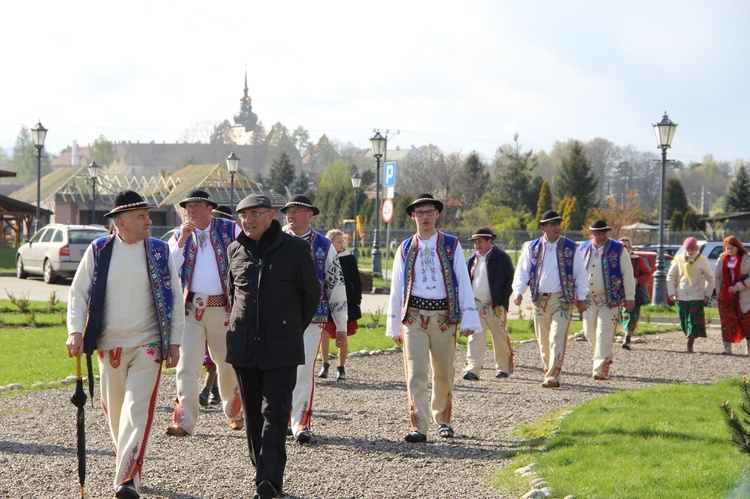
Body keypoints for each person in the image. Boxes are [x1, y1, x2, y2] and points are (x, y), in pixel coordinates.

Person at [66, 190, 184, 499]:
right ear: (121, 222)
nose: (149, 221)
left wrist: (175, 342)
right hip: (109, 347)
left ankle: (127, 480)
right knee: (115, 411)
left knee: (137, 409)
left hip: (148, 344)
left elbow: (175, 299)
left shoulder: (160, 251)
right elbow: (78, 293)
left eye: (148, 215)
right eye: (141, 216)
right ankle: (130, 465)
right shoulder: (99, 250)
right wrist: (74, 331)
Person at [226, 194, 320, 499]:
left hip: (281, 347)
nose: (248, 220)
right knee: (253, 415)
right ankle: (261, 469)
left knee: (276, 414)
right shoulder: (235, 250)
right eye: (243, 215)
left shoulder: (295, 249)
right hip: (243, 347)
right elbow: (233, 296)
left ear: (271, 216)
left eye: (255, 214)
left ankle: (269, 480)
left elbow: (311, 295)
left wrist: (290, 328)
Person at [386, 193, 481, 443]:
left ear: (437, 214)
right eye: (420, 212)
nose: (425, 217)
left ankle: (443, 419)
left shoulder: (451, 245)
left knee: (442, 371)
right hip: (413, 316)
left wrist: (469, 320)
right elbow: (397, 288)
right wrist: (394, 324)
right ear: (412, 216)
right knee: (415, 372)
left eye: (429, 212)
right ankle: (419, 425)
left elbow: (463, 281)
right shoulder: (405, 247)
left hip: (443, 316)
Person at [166, 190, 244, 436]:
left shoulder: (231, 229)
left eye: (198, 206)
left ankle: (234, 412)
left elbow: (247, 258)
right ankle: (184, 421)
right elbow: (169, 267)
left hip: (223, 308)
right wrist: (181, 242)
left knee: (227, 364)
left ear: (210, 208)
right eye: (189, 206)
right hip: (190, 311)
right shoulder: (179, 234)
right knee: (187, 365)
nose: (192, 210)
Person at [281, 194, 348, 443]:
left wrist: (340, 324)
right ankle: (281, 419)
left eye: (297, 210)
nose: (291, 215)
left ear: (310, 215)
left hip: (312, 318)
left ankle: (300, 422)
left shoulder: (323, 245)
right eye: (289, 210)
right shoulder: (274, 240)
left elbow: (336, 284)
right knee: (279, 371)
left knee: (303, 369)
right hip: (277, 319)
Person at [511, 210, 589, 388]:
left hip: (562, 299)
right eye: (552, 224)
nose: (557, 227)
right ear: (543, 227)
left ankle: (554, 374)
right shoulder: (532, 247)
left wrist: (582, 296)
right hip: (539, 299)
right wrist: (518, 291)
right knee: (543, 339)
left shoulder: (571, 247)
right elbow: (523, 270)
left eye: (558, 224)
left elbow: (580, 273)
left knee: (557, 336)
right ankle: (548, 369)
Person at [579, 220, 635, 380]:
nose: (601, 235)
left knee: (604, 333)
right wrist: (577, 296)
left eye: (604, 232)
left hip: (611, 299)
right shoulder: (583, 248)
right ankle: (605, 353)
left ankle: (599, 368)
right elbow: (577, 273)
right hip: (589, 298)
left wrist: (630, 297)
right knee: (589, 332)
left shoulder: (618, 249)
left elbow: (628, 274)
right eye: (597, 233)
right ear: (591, 234)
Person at [462, 226, 515, 380]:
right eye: (475, 242)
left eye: (480, 242)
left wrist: (500, 300)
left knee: (499, 335)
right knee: (475, 337)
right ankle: (473, 369)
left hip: (496, 305)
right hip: (475, 303)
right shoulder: (471, 259)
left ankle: (503, 368)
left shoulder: (502, 257)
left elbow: (509, 280)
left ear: (490, 241)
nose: (477, 245)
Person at [199, 205, 234, 406]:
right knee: (207, 355)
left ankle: (212, 390)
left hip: (224, 307)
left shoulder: (232, 244)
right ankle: (210, 389)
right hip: (198, 308)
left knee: (222, 355)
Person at [318, 229, 362, 381]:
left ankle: (341, 367)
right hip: (326, 301)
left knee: (342, 334)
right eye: (338, 242)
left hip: (346, 302)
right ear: (330, 243)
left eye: (343, 241)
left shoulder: (349, 258)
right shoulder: (324, 258)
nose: (342, 244)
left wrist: (356, 301)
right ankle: (324, 364)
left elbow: (356, 282)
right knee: (324, 333)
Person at [667, 236, 715, 353]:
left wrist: (707, 295)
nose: (690, 252)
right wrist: (672, 292)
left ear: (696, 249)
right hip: (681, 294)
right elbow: (671, 276)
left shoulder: (702, 261)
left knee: (693, 321)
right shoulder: (679, 259)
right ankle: (688, 336)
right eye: (688, 250)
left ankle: (690, 343)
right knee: (684, 320)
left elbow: (710, 279)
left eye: (692, 250)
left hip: (696, 295)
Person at [714, 236, 750, 355]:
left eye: (732, 248)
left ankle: (749, 348)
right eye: (727, 248)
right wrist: (719, 292)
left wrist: (739, 286)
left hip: (743, 295)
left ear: (737, 247)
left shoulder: (747, 259)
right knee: (726, 322)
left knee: (745, 321)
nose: (729, 250)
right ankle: (727, 348)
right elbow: (718, 277)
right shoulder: (722, 259)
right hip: (726, 296)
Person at [619, 237, 652, 349]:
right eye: (621, 246)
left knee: (631, 315)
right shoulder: (613, 259)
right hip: (618, 293)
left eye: (626, 246)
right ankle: (622, 335)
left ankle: (627, 338)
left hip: (633, 293)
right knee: (621, 316)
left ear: (630, 248)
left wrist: (637, 280)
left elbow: (648, 274)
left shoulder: (637, 260)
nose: (623, 248)